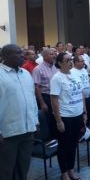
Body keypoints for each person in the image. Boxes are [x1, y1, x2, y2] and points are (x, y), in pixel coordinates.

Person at [0, 44, 38, 180]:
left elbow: (32, 99)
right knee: (6, 170)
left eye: (22, 52)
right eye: (18, 53)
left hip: (27, 130)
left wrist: (35, 120)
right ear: (5, 56)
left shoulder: (26, 74)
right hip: (8, 133)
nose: (22, 55)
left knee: (23, 167)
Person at [50, 52, 87, 180]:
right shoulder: (57, 78)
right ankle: (64, 172)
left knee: (73, 143)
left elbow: (81, 94)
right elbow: (54, 100)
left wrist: (84, 112)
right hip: (65, 116)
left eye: (71, 59)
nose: (70, 61)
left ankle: (71, 169)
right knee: (64, 145)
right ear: (60, 63)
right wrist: (58, 120)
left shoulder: (75, 74)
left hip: (77, 114)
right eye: (67, 60)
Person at [32, 48, 57, 136]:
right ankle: (51, 140)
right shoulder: (38, 69)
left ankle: (57, 138)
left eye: (54, 54)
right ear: (44, 56)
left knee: (56, 118)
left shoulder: (55, 67)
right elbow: (36, 87)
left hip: (56, 96)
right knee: (49, 119)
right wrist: (42, 103)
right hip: (46, 97)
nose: (54, 55)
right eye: (51, 54)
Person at [72, 55, 90, 127]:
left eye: (83, 60)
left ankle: (88, 129)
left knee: (89, 114)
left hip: (87, 97)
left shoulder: (84, 70)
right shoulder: (72, 72)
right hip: (80, 99)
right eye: (82, 61)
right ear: (76, 62)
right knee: (82, 117)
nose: (84, 62)